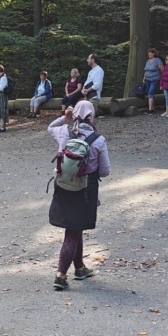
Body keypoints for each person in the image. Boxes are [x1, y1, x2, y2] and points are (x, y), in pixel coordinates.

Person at [47, 100, 110, 291]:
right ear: (92, 116)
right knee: (73, 231)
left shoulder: (65, 132)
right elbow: (105, 171)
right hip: (85, 189)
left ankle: (80, 268)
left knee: (75, 227)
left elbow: (50, 127)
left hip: (63, 185)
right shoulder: (98, 139)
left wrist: (64, 118)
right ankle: (60, 275)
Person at [143, 49, 165, 114]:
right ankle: (152, 108)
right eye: (148, 53)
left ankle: (150, 110)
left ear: (153, 54)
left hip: (154, 79)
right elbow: (146, 70)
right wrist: (144, 78)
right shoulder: (148, 61)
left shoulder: (157, 60)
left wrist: (161, 77)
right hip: (147, 79)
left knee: (150, 92)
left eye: (150, 53)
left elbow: (162, 69)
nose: (149, 55)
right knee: (150, 94)